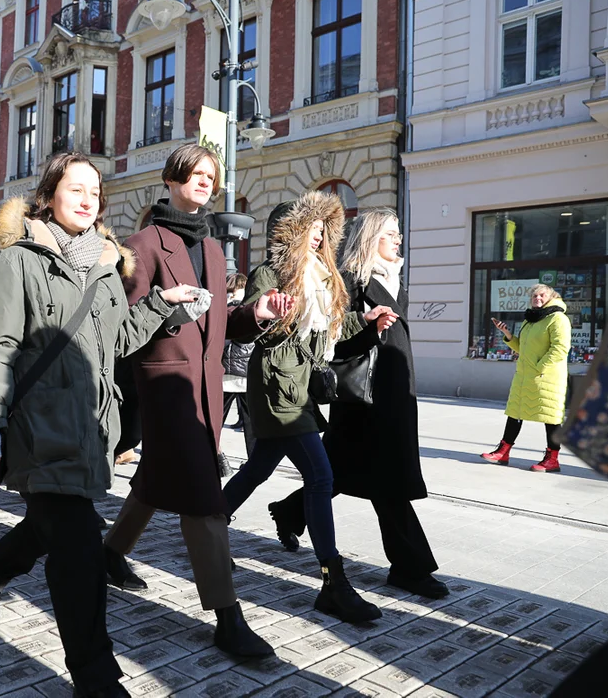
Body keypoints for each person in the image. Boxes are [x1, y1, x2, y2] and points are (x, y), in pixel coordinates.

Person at [0, 152, 198, 697]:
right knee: (77, 550)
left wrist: (163, 305)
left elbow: (114, 343)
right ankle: (95, 676)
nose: (89, 198)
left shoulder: (106, 265)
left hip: (91, 426)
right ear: (48, 196)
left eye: (95, 191)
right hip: (36, 425)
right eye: (76, 189)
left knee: (51, 528)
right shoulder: (17, 259)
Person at [102, 144, 289, 657]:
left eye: (212, 174)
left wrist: (258, 314)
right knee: (205, 499)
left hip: (205, 389)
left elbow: (219, 324)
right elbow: (128, 325)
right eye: (196, 173)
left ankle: (111, 553)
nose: (206, 181)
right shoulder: (142, 243)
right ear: (171, 178)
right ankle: (227, 616)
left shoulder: (210, 246)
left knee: (156, 480)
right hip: (164, 387)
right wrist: (165, 309)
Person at [223, 192, 398, 624]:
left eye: (323, 229)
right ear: (291, 233)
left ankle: (209, 527)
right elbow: (253, 327)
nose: (318, 236)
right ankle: (333, 582)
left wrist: (368, 319)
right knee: (321, 476)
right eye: (310, 228)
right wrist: (270, 312)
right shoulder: (272, 272)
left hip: (304, 389)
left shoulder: (326, 276)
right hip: (278, 389)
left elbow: (334, 332)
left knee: (258, 469)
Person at [269, 209, 449, 600]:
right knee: (389, 484)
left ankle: (289, 512)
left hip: (392, 395)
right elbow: (332, 343)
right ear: (370, 238)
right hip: (366, 402)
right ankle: (410, 567)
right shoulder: (352, 281)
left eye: (399, 233)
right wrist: (368, 327)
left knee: (340, 474)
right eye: (390, 234)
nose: (398, 240)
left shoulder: (392, 279)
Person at [481, 283, 571, 473]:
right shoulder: (529, 320)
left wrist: (539, 367)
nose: (537, 299)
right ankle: (503, 451)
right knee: (515, 411)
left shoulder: (558, 319)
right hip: (525, 375)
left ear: (551, 297)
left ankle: (552, 459)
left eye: (542, 296)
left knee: (551, 416)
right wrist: (507, 335)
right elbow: (523, 348)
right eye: (534, 296)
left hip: (546, 376)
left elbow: (560, 348)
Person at [221, 272, 254, 459]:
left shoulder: (224, 305)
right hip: (246, 373)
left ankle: (210, 456)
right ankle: (254, 461)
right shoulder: (251, 305)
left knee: (215, 420)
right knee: (251, 424)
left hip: (225, 373)